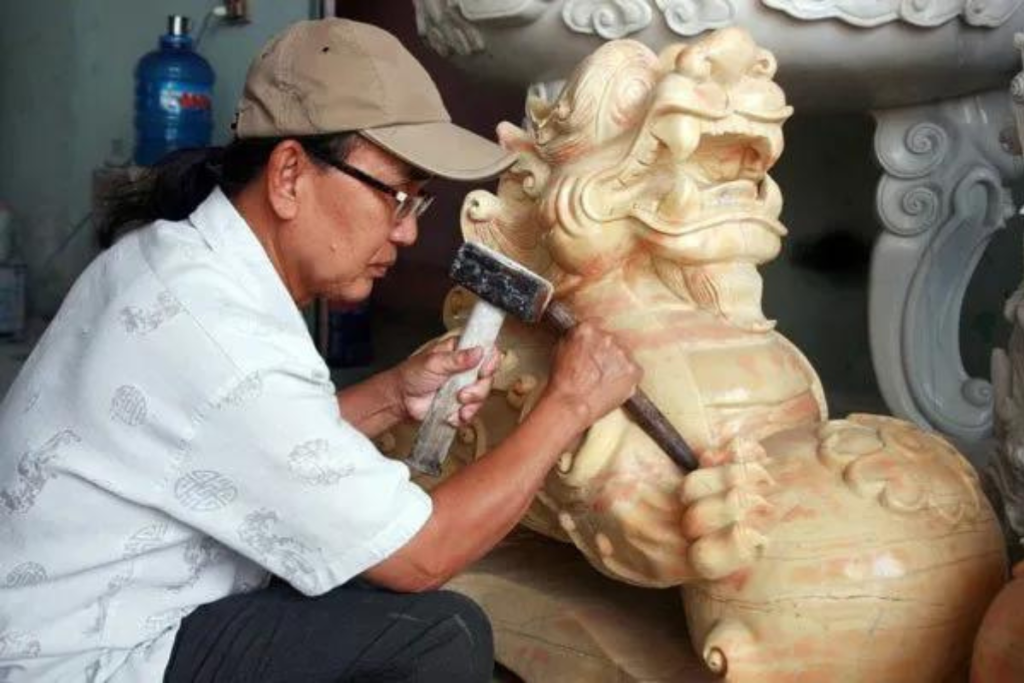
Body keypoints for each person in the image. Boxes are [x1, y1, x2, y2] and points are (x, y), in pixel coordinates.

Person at [0, 18, 640, 683]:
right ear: (288, 176)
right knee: (438, 635)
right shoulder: (222, 337)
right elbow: (423, 554)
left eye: (419, 201)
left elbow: (235, 443)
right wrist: (569, 401)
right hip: (78, 661)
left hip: (87, 620)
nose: (406, 232)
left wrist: (394, 394)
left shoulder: (180, 262)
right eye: (395, 196)